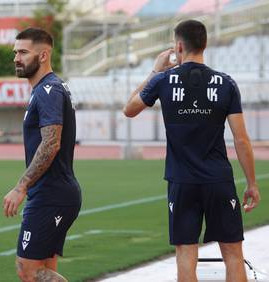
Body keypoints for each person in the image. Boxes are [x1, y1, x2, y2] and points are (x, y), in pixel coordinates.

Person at [123, 19, 260, 282]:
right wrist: (252, 183)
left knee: (186, 255)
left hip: (182, 181)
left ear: (178, 46)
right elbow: (241, 139)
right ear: (205, 44)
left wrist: (154, 71)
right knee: (232, 253)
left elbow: (129, 109)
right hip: (218, 179)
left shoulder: (163, 80)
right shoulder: (225, 83)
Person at [3, 27, 81, 282]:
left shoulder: (49, 90)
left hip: (51, 195)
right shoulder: (46, 90)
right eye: (15, 52)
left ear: (44, 55)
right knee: (45, 267)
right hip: (52, 192)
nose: (16, 58)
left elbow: (51, 143)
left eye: (23, 52)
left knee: (28, 270)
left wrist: (21, 186)